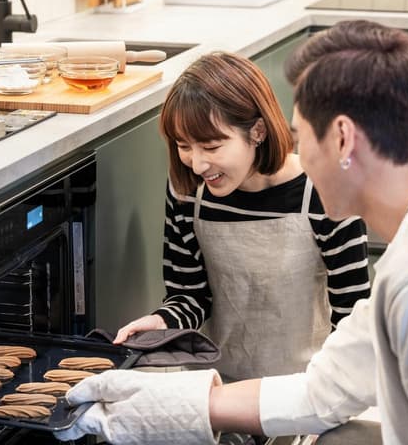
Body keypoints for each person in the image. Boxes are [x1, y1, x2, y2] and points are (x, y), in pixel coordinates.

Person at [56, 20, 408, 444]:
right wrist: (158, 406)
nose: (296, 154)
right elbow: (322, 390)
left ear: (341, 138)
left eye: (299, 134)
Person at [112, 51, 371, 383]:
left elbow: (353, 320)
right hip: (213, 385)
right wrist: (162, 323)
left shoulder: (325, 191)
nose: (197, 164)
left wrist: (329, 399)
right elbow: (190, 296)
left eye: (211, 146)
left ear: (258, 131)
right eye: (183, 146)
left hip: (302, 388)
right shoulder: (187, 190)